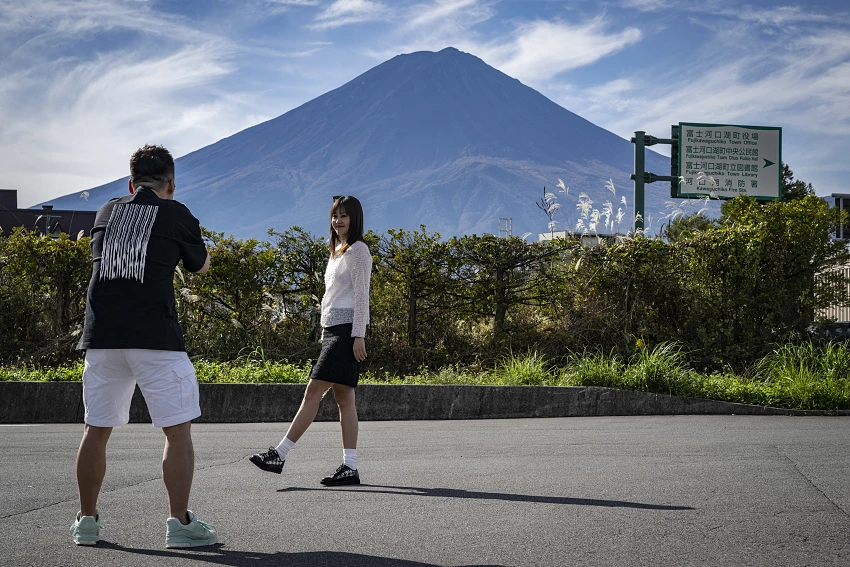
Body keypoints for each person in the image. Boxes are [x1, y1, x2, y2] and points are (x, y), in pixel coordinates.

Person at [70, 145, 217, 548]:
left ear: (130, 182)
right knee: (177, 432)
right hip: (155, 339)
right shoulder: (177, 211)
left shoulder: (105, 211)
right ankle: (180, 524)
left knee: (95, 429)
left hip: (102, 338)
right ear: (171, 183)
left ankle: (86, 522)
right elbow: (200, 265)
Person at [250, 195, 372, 486]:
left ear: (354, 219)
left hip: (346, 332)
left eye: (344, 215)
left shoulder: (358, 251)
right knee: (344, 400)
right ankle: (350, 468)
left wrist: (359, 335)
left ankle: (279, 454)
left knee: (312, 392)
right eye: (334, 216)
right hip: (333, 331)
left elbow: (361, 297)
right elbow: (332, 298)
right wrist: (324, 332)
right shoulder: (337, 252)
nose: (338, 221)